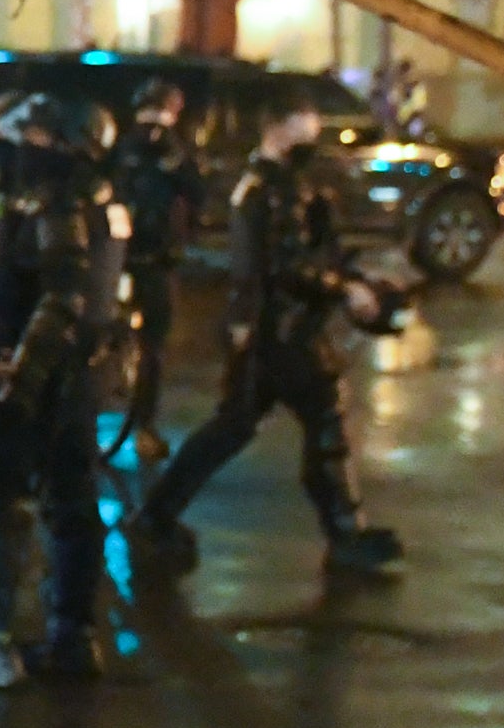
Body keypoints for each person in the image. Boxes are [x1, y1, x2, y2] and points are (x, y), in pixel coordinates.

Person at [130, 84, 404, 576]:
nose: (314, 136)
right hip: (280, 332)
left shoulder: (289, 185)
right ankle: (345, 536)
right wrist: (344, 289)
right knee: (319, 420)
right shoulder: (264, 191)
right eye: (305, 126)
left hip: (277, 331)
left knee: (233, 427)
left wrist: (358, 282)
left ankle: (156, 515)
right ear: (279, 128)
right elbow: (284, 266)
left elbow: (323, 250)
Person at [0, 95, 128, 687]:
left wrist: (20, 374)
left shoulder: (59, 205)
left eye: (31, 136)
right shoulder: (99, 199)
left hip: (42, 375)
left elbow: (62, 295)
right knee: (72, 499)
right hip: (78, 374)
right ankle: (73, 636)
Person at [112, 76, 206, 465]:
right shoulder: (128, 149)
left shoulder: (173, 152)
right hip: (125, 255)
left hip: (153, 256)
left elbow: (195, 194)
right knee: (130, 340)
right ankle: (128, 417)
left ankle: (144, 424)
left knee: (153, 345)